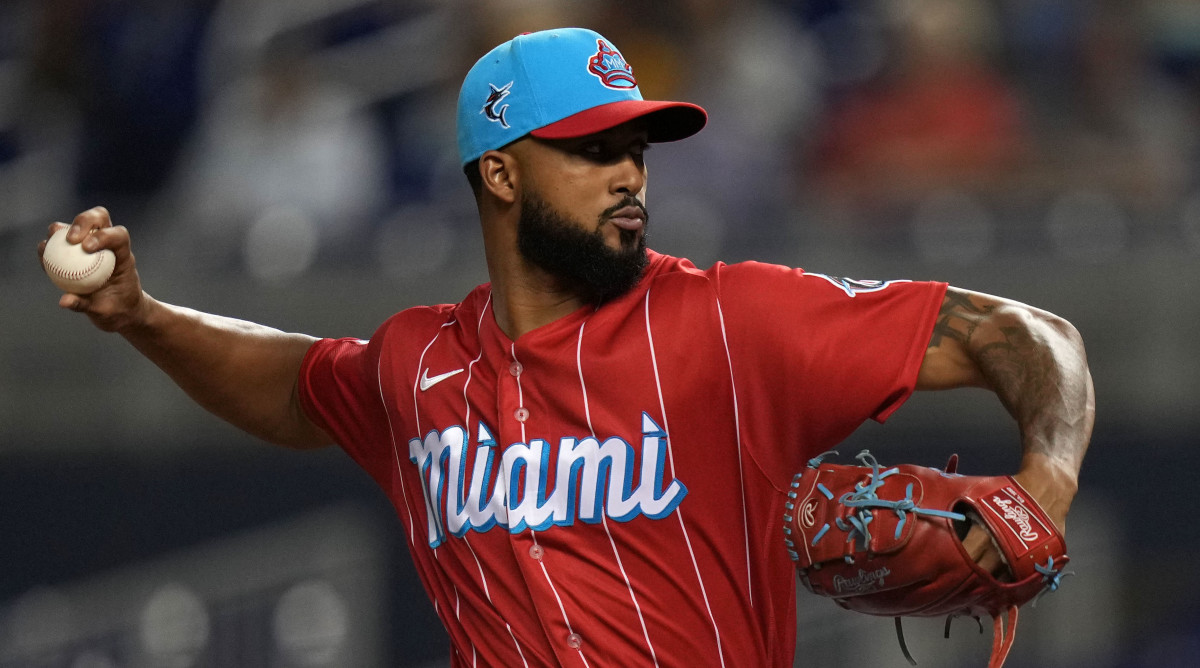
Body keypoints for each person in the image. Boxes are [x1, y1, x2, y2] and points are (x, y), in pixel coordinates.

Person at [40, 28, 1094, 667]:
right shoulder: (418, 367)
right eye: (592, 150)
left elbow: (1025, 332)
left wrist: (1045, 473)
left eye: (635, 147)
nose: (629, 173)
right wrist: (143, 314)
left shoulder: (734, 322)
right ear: (500, 173)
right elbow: (292, 384)